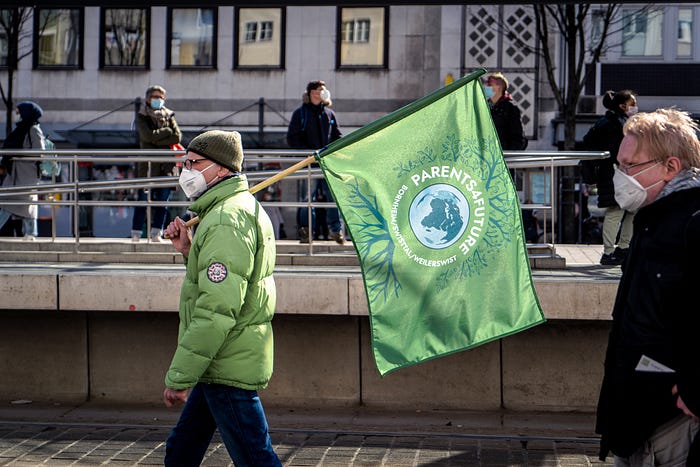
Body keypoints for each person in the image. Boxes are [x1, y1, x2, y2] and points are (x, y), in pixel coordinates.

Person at [161, 130, 281, 467]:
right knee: (181, 450)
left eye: (194, 163)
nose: (186, 170)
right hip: (222, 359)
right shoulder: (228, 212)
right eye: (184, 164)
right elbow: (223, 283)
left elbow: (217, 308)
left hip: (225, 360)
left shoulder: (227, 219)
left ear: (223, 169)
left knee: (256, 459)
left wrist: (179, 377)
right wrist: (188, 250)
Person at [595, 108, 700, 466]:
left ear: (671, 167)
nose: (621, 177)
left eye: (630, 166)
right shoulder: (650, 221)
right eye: (619, 166)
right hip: (632, 416)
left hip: (669, 422)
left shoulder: (692, 224)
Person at [581, 90, 638, 266]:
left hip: (618, 173)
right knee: (617, 210)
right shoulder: (613, 124)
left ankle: (621, 248)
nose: (635, 107)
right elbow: (615, 151)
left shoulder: (613, 122)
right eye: (632, 104)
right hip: (614, 174)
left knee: (630, 210)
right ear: (622, 106)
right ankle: (610, 251)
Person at [287, 79, 344, 244]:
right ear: (312, 92)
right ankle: (305, 230)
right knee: (307, 198)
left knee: (332, 197)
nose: (323, 92)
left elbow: (337, 136)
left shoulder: (329, 114)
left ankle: (336, 230)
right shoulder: (301, 114)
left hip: (327, 163)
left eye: (324, 89)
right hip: (309, 163)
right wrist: (307, 153)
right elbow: (292, 138)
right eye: (320, 89)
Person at [132, 84, 182, 243]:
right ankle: (136, 232)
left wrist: (158, 138)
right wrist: (167, 133)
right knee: (143, 200)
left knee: (163, 201)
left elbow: (178, 137)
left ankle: (156, 233)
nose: (158, 100)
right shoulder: (141, 115)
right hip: (148, 165)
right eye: (155, 96)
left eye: (161, 97)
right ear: (148, 98)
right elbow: (148, 137)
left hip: (166, 166)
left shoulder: (169, 115)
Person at [0, 101, 45, 240]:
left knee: (15, 203)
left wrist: (19, 155)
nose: (17, 116)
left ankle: (31, 233)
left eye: (19, 113)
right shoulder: (23, 129)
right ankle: (31, 233)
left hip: (26, 174)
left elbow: (40, 152)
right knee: (15, 203)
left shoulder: (33, 129)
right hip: (17, 174)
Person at [483, 72, 528, 151]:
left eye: (490, 85)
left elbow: (518, 137)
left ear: (499, 87)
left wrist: (509, 155)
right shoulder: (485, 107)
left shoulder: (510, 109)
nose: (486, 87)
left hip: (504, 155)